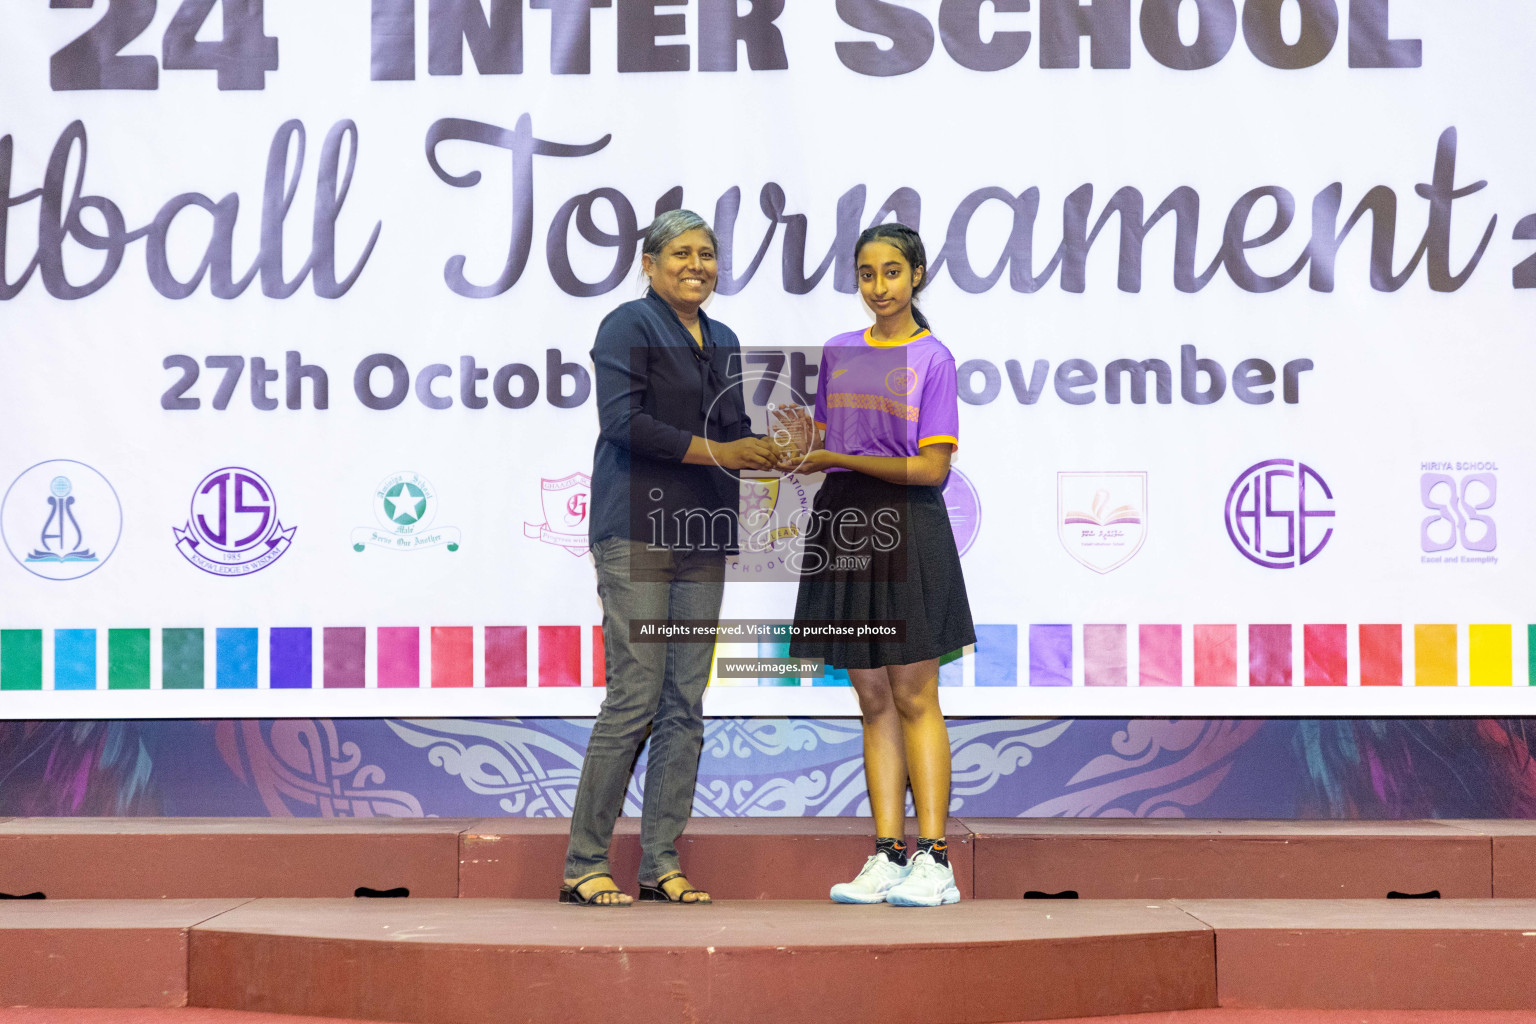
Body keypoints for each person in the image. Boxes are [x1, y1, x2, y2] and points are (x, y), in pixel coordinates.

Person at [561, 210, 778, 906]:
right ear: (648, 264)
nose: (697, 264)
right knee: (635, 695)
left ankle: (660, 862)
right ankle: (585, 865)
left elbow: (734, 429)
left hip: (704, 531)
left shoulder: (724, 338)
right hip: (639, 531)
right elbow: (622, 423)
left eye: (708, 254)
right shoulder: (629, 325)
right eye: (681, 253)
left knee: (685, 699)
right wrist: (722, 451)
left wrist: (781, 449)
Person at [782, 223, 975, 907]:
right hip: (842, 521)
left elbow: (930, 467)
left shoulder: (934, 359)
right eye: (866, 273)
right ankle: (888, 855)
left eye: (892, 271)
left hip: (908, 526)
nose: (879, 286)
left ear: (916, 275)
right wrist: (800, 446)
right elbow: (829, 439)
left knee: (915, 693)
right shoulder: (837, 352)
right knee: (870, 697)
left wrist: (838, 456)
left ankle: (936, 860)